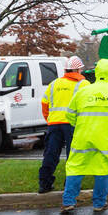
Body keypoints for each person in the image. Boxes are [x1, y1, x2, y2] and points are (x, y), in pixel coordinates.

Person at [61, 58, 108, 213]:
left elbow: (70, 114)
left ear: (97, 71)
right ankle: (99, 203)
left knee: (75, 168)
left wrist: (80, 124)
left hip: (83, 136)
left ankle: (68, 202)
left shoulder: (83, 91)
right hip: (105, 138)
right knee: (103, 169)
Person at [37, 56, 88, 194]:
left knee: (50, 154)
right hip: (73, 125)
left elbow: (44, 104)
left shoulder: (54, 84)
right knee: (73, 156)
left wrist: (50, 119)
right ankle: (70, 186)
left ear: (66, 69)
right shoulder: (83, 85)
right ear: (78, 69)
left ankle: (44, 184)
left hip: (54, 124)